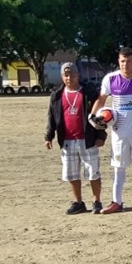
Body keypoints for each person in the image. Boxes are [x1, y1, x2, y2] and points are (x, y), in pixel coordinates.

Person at [90, 47, 132, 214]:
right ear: (118, 61)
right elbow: (101, 99)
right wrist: (93, 116)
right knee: (118, 167)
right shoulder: (110, 78)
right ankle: (116, 202)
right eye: (122, 61)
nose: (125, 64)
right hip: (118, 131)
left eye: (129, 61)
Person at [45, 62, 105, 214]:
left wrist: (101, 135)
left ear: (78, 75)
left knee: (93, 172)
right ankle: (78, 202)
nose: (69, 78)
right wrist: (49, 136)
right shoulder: (57, 95)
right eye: (66, 75)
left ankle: (96, 201)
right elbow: (51, 116)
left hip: (88, 139)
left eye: (72, 75)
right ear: (62, 77)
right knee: (71, 174)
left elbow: (100, 114)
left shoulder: (89, 92)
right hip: (67, 140)